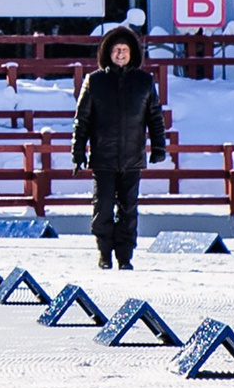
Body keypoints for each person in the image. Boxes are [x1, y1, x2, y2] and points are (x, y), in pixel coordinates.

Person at [72, 24, 167, 269]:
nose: (120, 54)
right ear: (108, 53)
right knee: (102, 207)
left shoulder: (144, 82)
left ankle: (125, 256)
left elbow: (155, 117)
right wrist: (78, 152)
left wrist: (159, 147)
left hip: (132, 157)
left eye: (124, 50)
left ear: (132, 53)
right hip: (103, 157)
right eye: (116, 50)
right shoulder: (94, 81)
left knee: (128, 210)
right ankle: (104, 253)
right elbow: (82, 120)